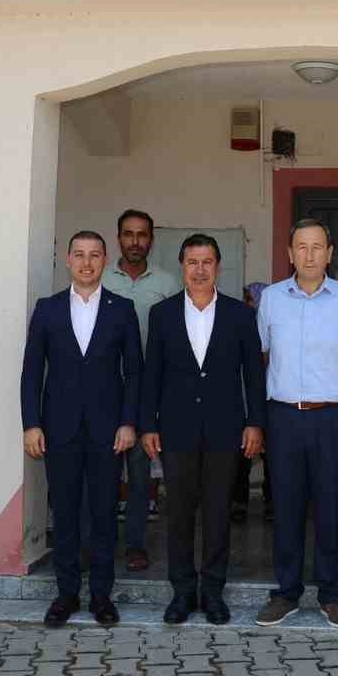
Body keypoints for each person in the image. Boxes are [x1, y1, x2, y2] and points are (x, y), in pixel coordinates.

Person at [254, 218, 338, 629]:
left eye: (317, 247)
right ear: (289, 253)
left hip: (333, 417)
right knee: (285, 506)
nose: (309, 255)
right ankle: (286, 592)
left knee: (331, 506)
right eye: (301, 247)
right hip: (284, 416)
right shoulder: (271, 299)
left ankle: (331, 594)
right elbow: (260, 358)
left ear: (330, 253)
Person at [140, 234, 265, 626]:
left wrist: (255, 423)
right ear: (182, 266)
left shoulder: (240, 315)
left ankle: (212, 592)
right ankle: (181, 593)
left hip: (225, 430)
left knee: (217, 513)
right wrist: (148, 425)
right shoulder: (161, 314)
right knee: (178, 514)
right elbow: (151, 373)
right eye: (192, 262)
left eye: (207, 262)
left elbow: (254, 375)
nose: (199, 270)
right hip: (175, 430)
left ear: (218, 267)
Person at [20, 230, 142, 628]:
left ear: (105, 260)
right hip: (59, 429)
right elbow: (32, 372)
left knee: (104, 515)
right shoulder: (48, 309)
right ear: (68, 260)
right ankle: (66, 594)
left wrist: (128, 422)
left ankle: (102, 596)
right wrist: (31, 424)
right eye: (79, 255)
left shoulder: (122, 309)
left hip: (109, 432)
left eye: (94, 255)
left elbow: (134, 373)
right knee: (66, 514)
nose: (87, 263)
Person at [101, 208, 181, 572]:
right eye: (128, 234)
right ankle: (101, 542)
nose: (135, 241)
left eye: (142, 234)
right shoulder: (100, 278)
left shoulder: (167, 283)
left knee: (139, 474)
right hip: (103, 389)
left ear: (151, 239)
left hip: (147, 391)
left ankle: (135, 545)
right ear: (118, 238)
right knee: (102, 473)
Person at [232, 281, 272, 524]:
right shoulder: (240, 324)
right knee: (242, 453)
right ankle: (239, 502)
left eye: (250, 299)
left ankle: (272, 503)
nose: (247, 304)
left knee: (272, 455)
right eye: (245, 299)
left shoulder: (273, 325)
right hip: (245, 398)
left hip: (272, 397)